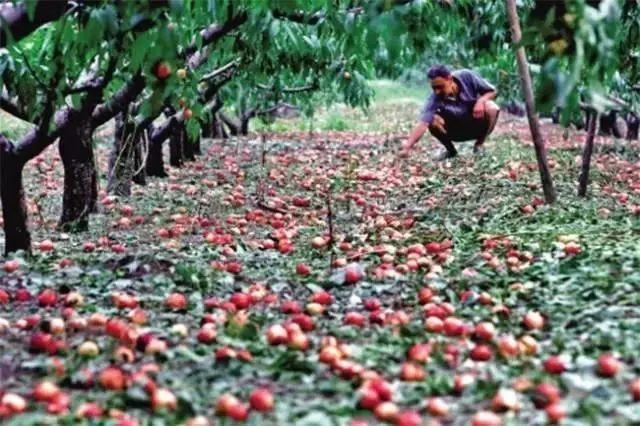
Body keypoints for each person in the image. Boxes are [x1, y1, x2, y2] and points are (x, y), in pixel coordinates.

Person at [399, 64, 500, 160]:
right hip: (455, 132)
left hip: (475, 124)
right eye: (434, 88)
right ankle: (451, 151)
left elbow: (492, 91)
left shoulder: (467, 76)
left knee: (492, 108)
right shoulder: (434, 99)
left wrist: (481, 101)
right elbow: (423, 124)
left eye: (440, 87)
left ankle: (479, 145)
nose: (437, 92)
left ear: (450, 79)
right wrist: (407, 146)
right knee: (432, 121)